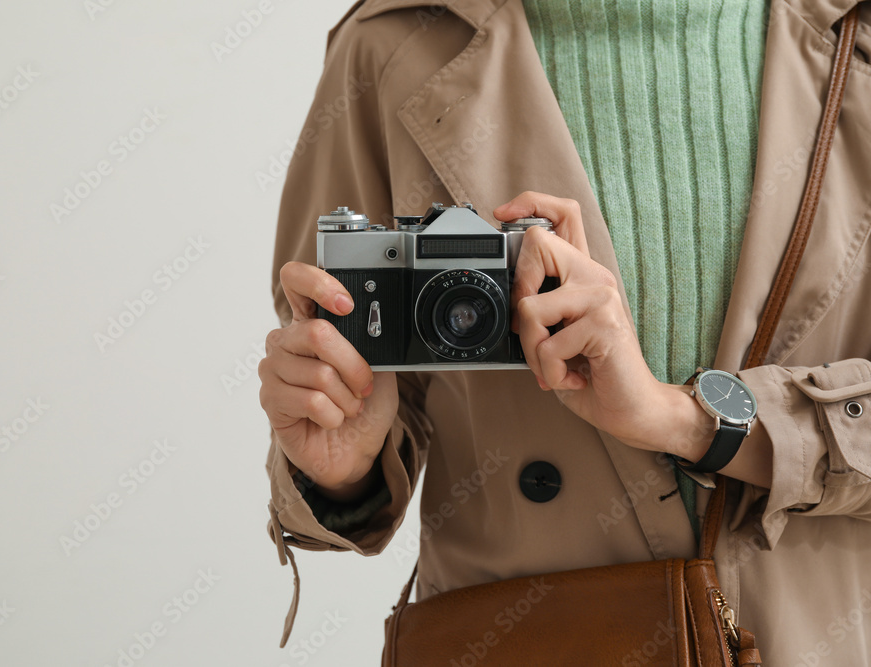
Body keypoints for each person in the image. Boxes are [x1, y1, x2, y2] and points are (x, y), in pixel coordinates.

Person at [259, 0, 871, 663]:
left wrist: (684, 419)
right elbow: (341, 373)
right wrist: (343, 472)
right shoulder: (395, 43)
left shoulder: (856, 38)